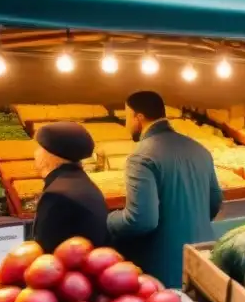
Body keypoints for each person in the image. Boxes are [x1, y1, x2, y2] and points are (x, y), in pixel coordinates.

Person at [108, 91, 222, 288]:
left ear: (138, 117)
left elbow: (141, 220)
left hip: (165, 267)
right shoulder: (199, 149)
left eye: (127, 117)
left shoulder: (141, 157)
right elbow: (215, 202)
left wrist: (109, 219)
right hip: (205, 258)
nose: (126, 124)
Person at [32, 122, 108, 253]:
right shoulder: (82, 183)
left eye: (39, 148)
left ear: (48, 156)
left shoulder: (56, 196)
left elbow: (44, 254)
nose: (35, 153)